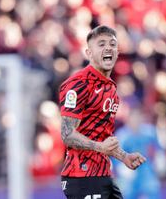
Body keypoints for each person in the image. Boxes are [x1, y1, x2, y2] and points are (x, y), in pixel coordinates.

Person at [59, 25, 146, 199]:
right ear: (89, 53)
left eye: (112, 44)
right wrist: (100, 147)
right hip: (81, 176)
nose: (108, 48)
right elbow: (67, 134)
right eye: (101, 44)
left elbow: (102, 137)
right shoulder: (78, 84)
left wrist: (124, 157)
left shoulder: (111, 89)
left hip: (103, 174)